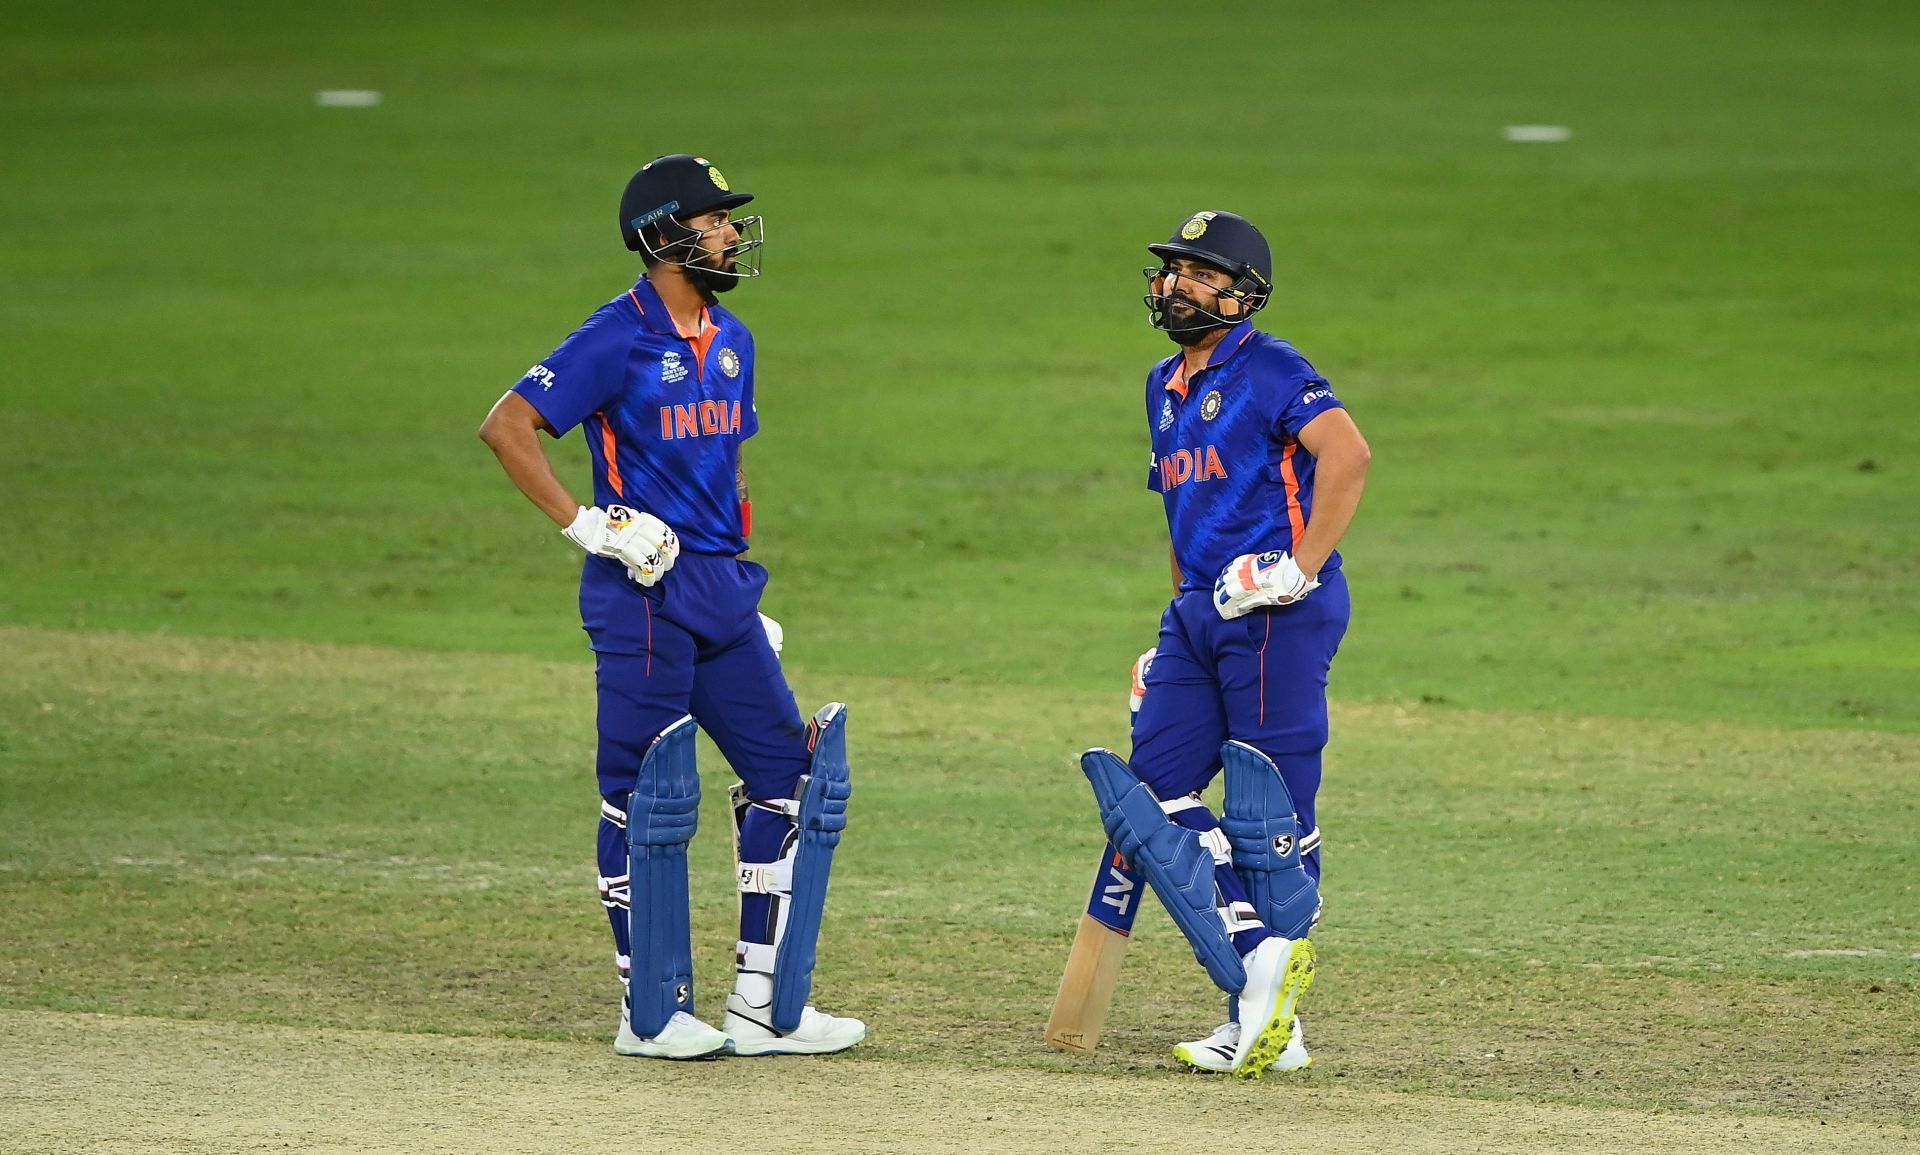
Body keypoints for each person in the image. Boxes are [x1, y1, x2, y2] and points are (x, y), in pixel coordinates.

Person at [478, 154, 865, 1060]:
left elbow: (729, 467)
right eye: (716, 219)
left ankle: (765, 1008)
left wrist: (738, 590)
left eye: (731, 219)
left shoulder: (735, 338)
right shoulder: (615, 336)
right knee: (645, 796)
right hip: (640, 593)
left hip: (719, 591)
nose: (732, 233)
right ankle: (650, 1013)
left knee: (787, 779)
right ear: (664, 236)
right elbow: (507, 425)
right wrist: (590, 527)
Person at [1081, 209, 1370, 1078]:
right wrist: (1176, 617)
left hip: (1279, 611)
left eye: (1200, 272)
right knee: (1157, 787)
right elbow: (1177, 503)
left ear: (1242, 292)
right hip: (1201, 612)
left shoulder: (1273, 365)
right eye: (1172, 269)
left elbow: (1348, 456)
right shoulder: (1159, 384)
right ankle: (1254, 974)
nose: (1177, 285)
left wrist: (1300, 566)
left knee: (1270, 809)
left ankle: (1271, 1016)